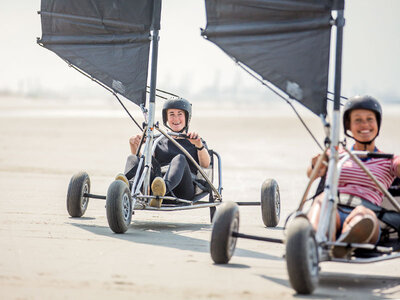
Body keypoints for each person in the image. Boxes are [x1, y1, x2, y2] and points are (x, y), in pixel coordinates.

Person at [306, 95, 400, 258]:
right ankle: (313, 241)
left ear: (377, 124)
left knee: (363, 214)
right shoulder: (337, 154)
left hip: (369, 215)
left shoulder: (388, 160)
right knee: (321, 201)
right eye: (358, 120)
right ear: (348, 125)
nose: (365, 125)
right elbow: (312, 174)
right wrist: (317, 164)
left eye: (370, 119)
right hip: (334, 208)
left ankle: (343, 244)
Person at [123, 97, 210, 208]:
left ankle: (162, 190)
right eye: (172, 114)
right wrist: (134, 145)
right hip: (154, 187)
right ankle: (126, 187)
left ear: (187, 117)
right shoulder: (158, 140)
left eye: (180, 114)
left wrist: (199, 145)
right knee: (133, 158)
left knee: (180, 159)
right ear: (166, 118)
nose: (176, 118)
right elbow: (145, 165)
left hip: (183, 191)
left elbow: (206, 165)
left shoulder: (194, 140)